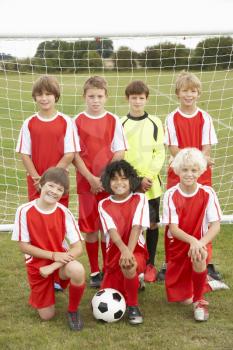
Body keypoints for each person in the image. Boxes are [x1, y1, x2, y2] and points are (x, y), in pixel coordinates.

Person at [158, 70, 220, 282]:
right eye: (185, 91)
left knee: (203, 217)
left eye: (193, 91)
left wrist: (199, 163)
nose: (189, 95)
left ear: (198, 93)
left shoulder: (205, 117)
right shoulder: (172, 118)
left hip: (200, 173)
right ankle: (170, 262)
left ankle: (206, 260)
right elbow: (174, 147)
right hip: (179, 172)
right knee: (174, 219)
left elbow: (207, 146)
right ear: (178, 93)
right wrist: (188, 163)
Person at [11, 167, 86, 331]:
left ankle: (73, 311)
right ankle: (44, 289)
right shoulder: (24, 211)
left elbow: (77, 248)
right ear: (41, 184)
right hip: (38, 266)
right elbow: (23, 246)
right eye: (51, 186)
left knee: (78, 270)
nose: (54, 191)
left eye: (60, 189)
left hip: (58, 264)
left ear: (63, 193)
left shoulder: (64, 212)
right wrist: (52, 255)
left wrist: (53, 264)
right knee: (47, 316)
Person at [73, 76, 127, 288]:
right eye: (91, 96)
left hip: (109, 183)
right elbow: (74, 154)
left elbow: (120, 151)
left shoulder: (114, 120)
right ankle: (95, 271)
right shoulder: (76, 121)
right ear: (84, 97)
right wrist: (90, 178)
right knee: (90, 228)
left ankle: (108, 268)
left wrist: (104, 178)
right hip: (86, 184)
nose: (95, 100)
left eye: (99, 96)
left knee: (108, 227)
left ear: (106, 97)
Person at [162, 148, 221, 321]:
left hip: (201, 244)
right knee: (183, 300)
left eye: (194, 170)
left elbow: (215, 226)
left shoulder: (207, 193)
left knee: (199, 255)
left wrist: (199, 243)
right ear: (177, 170)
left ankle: (199, 302)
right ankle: (207, 284)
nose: (189, 174)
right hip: (179, 247)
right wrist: (193, 241)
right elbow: (173, 229)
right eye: (185, 170)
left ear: (201, 171)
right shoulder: (170, 195)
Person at [122, 80, 165, 283]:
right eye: (133, 98)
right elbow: (120, 153)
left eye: (141, 98)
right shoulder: (121, 123)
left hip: (151, 184)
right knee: (132, 225)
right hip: (129, 184)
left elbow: (160, 152)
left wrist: (147, 177)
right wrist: (134, 180)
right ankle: (132, 261)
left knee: (153, 224)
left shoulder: (155, 122)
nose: (137, 102)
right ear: (127, 99)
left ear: (147, 99)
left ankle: (150, 264)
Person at [98, 160, 149, 325]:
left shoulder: (140, 198)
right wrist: (123, 251)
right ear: (108, 181)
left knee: (129, 265)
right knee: (110, 292)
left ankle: (133, 307)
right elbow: (112, 232)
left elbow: (137, 226)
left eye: (123, 178)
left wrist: (129, 253)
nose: (119, 183)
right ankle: (135, 280)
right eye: (114, 179)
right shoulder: (103, 204)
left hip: (137, 251)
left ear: (131, 180)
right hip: (114, 255)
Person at [16, 75, 76, 207]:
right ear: (35, 97)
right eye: (39, 94)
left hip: (58, 180)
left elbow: (70, 154)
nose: (44, 98)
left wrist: (49, 180)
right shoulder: (29, 123)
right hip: (35, 180)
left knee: (58, 216)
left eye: (48, 94)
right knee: (37, 214)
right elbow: (24, 154)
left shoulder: (66, 122)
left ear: (56, 96)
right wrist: (38, 179)